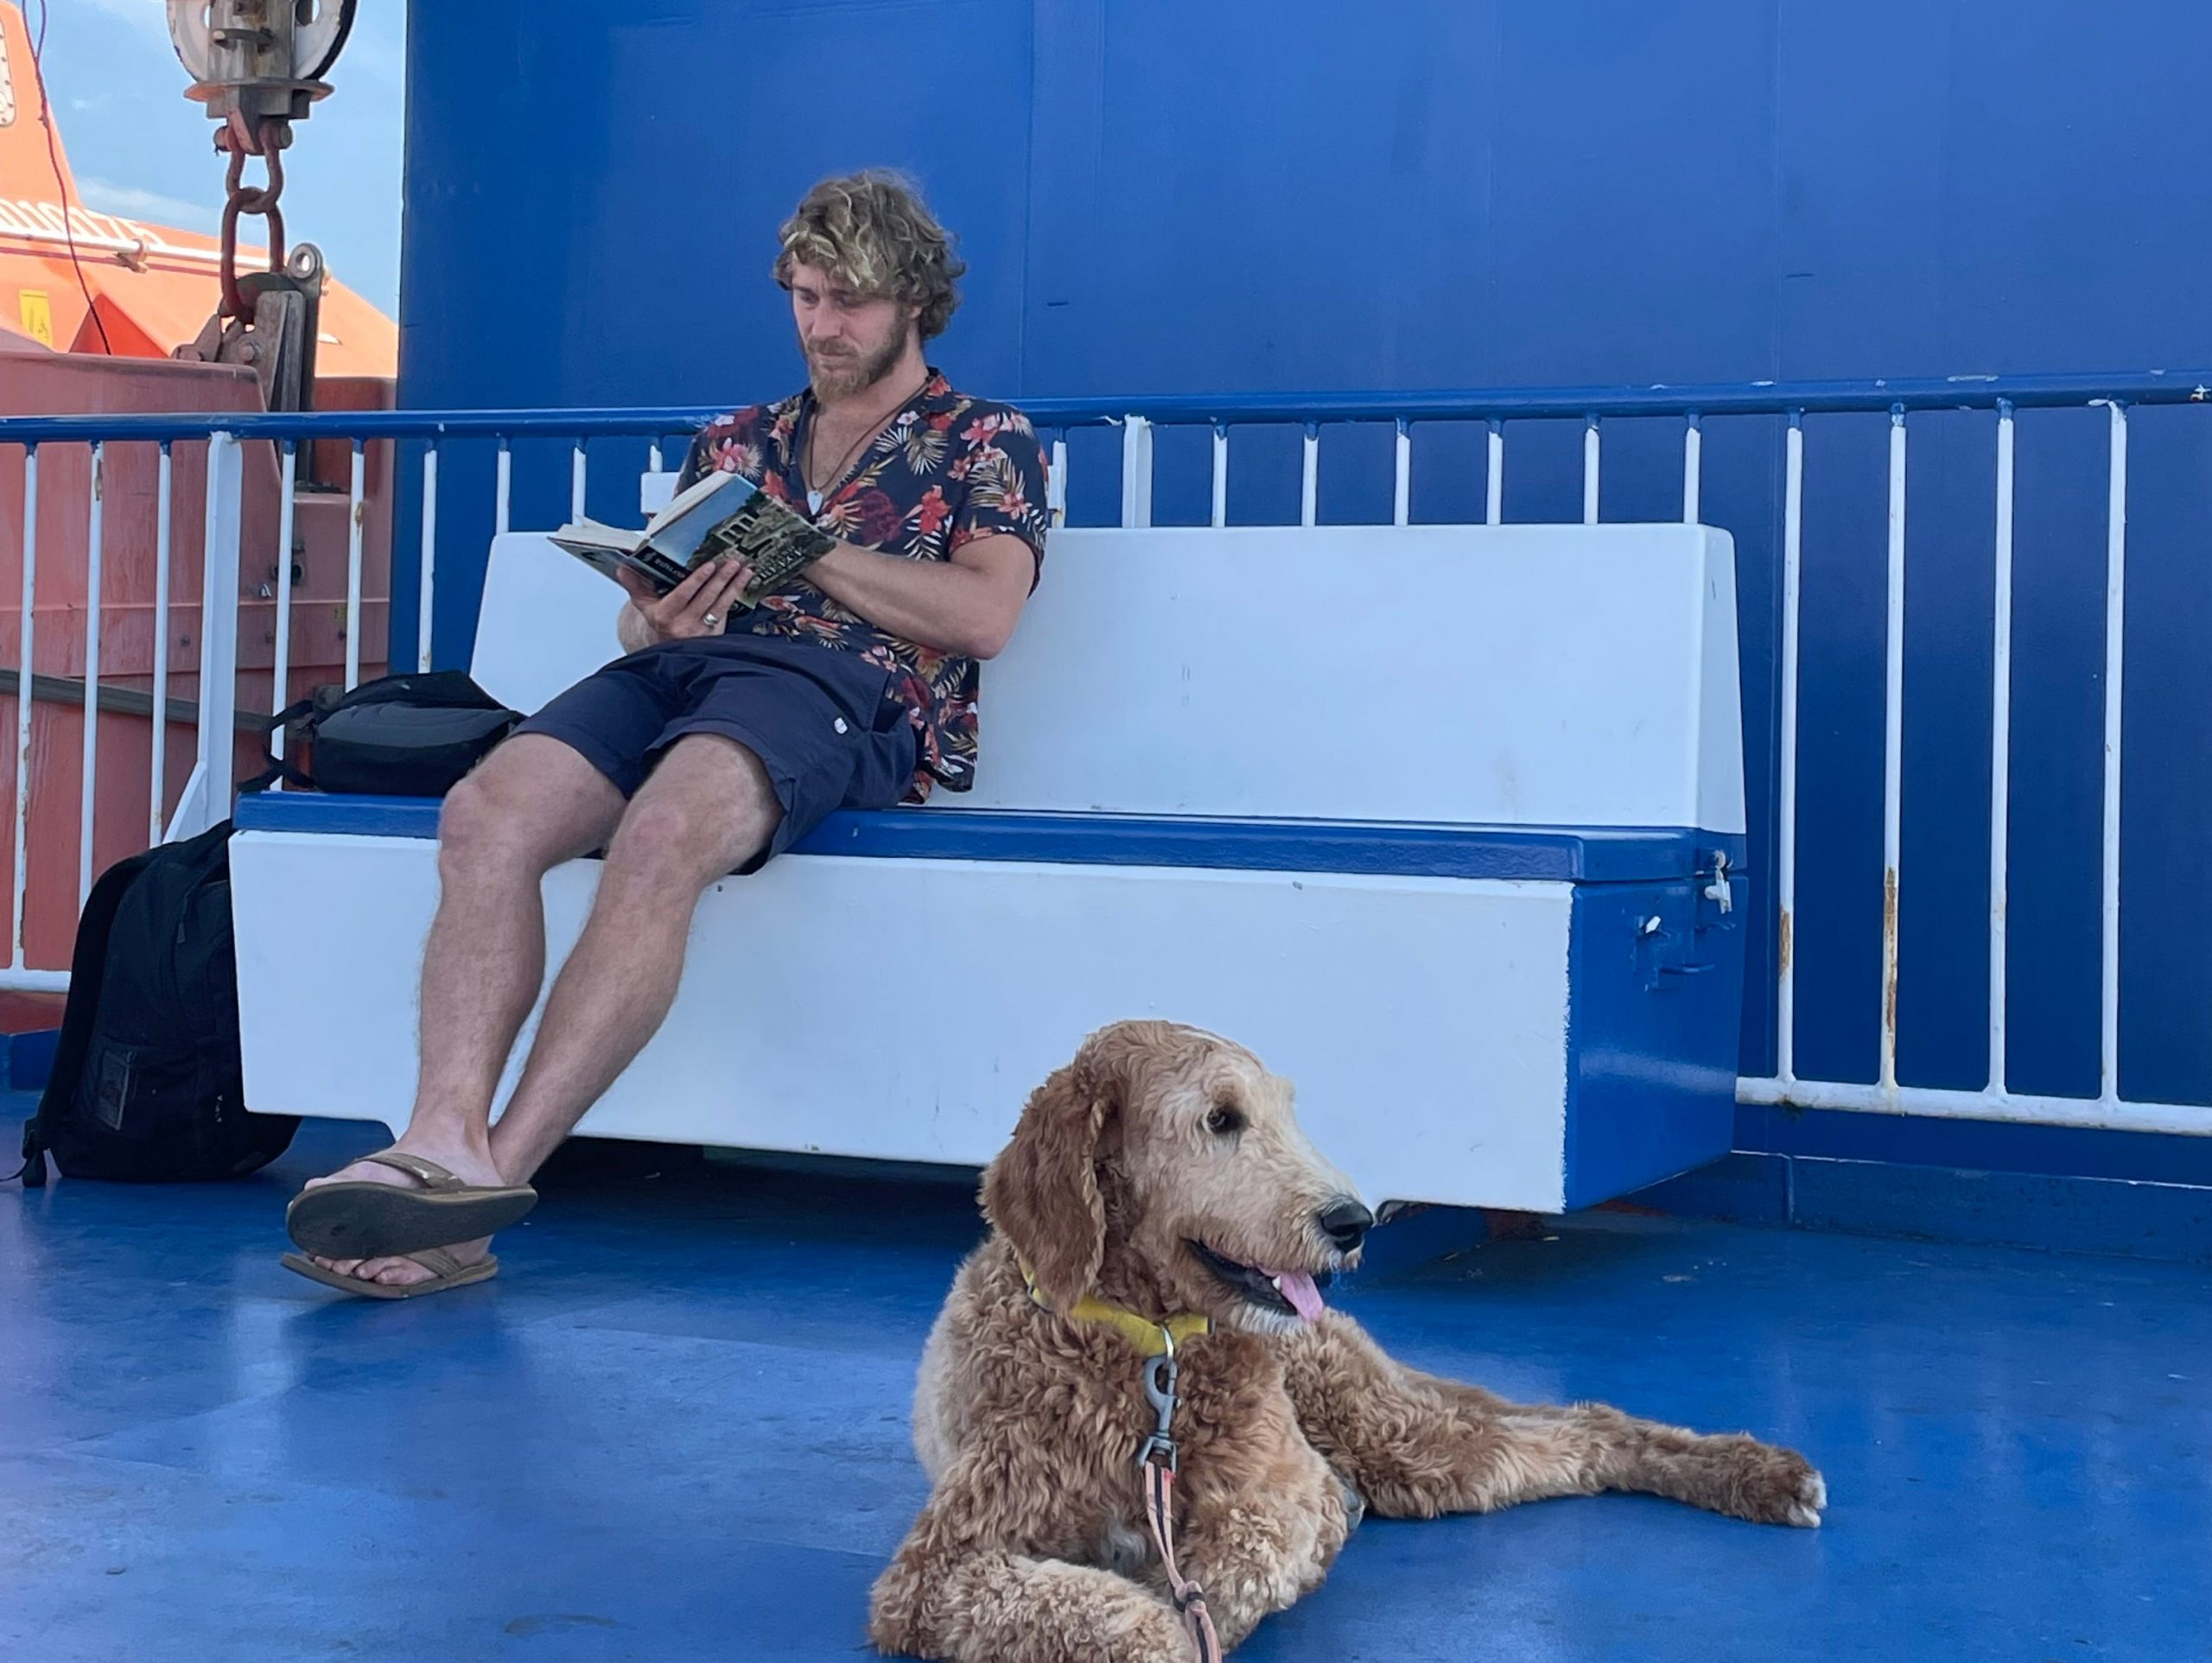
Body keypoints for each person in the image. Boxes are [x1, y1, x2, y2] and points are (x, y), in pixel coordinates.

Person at [280, 170, 1051, 1298]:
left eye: (850, 303)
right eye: (804, 296)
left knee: (660, 835)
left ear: (917, 302)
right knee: (484, 811)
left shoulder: (985, 439)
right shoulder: (737, 440)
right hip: (686, 667)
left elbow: (986, 616)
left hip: (844, 691)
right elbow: (649, 611)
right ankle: (441, 1140)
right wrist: (654, 613)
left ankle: (491, 1180)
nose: (821, 326)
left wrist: (808, 551)